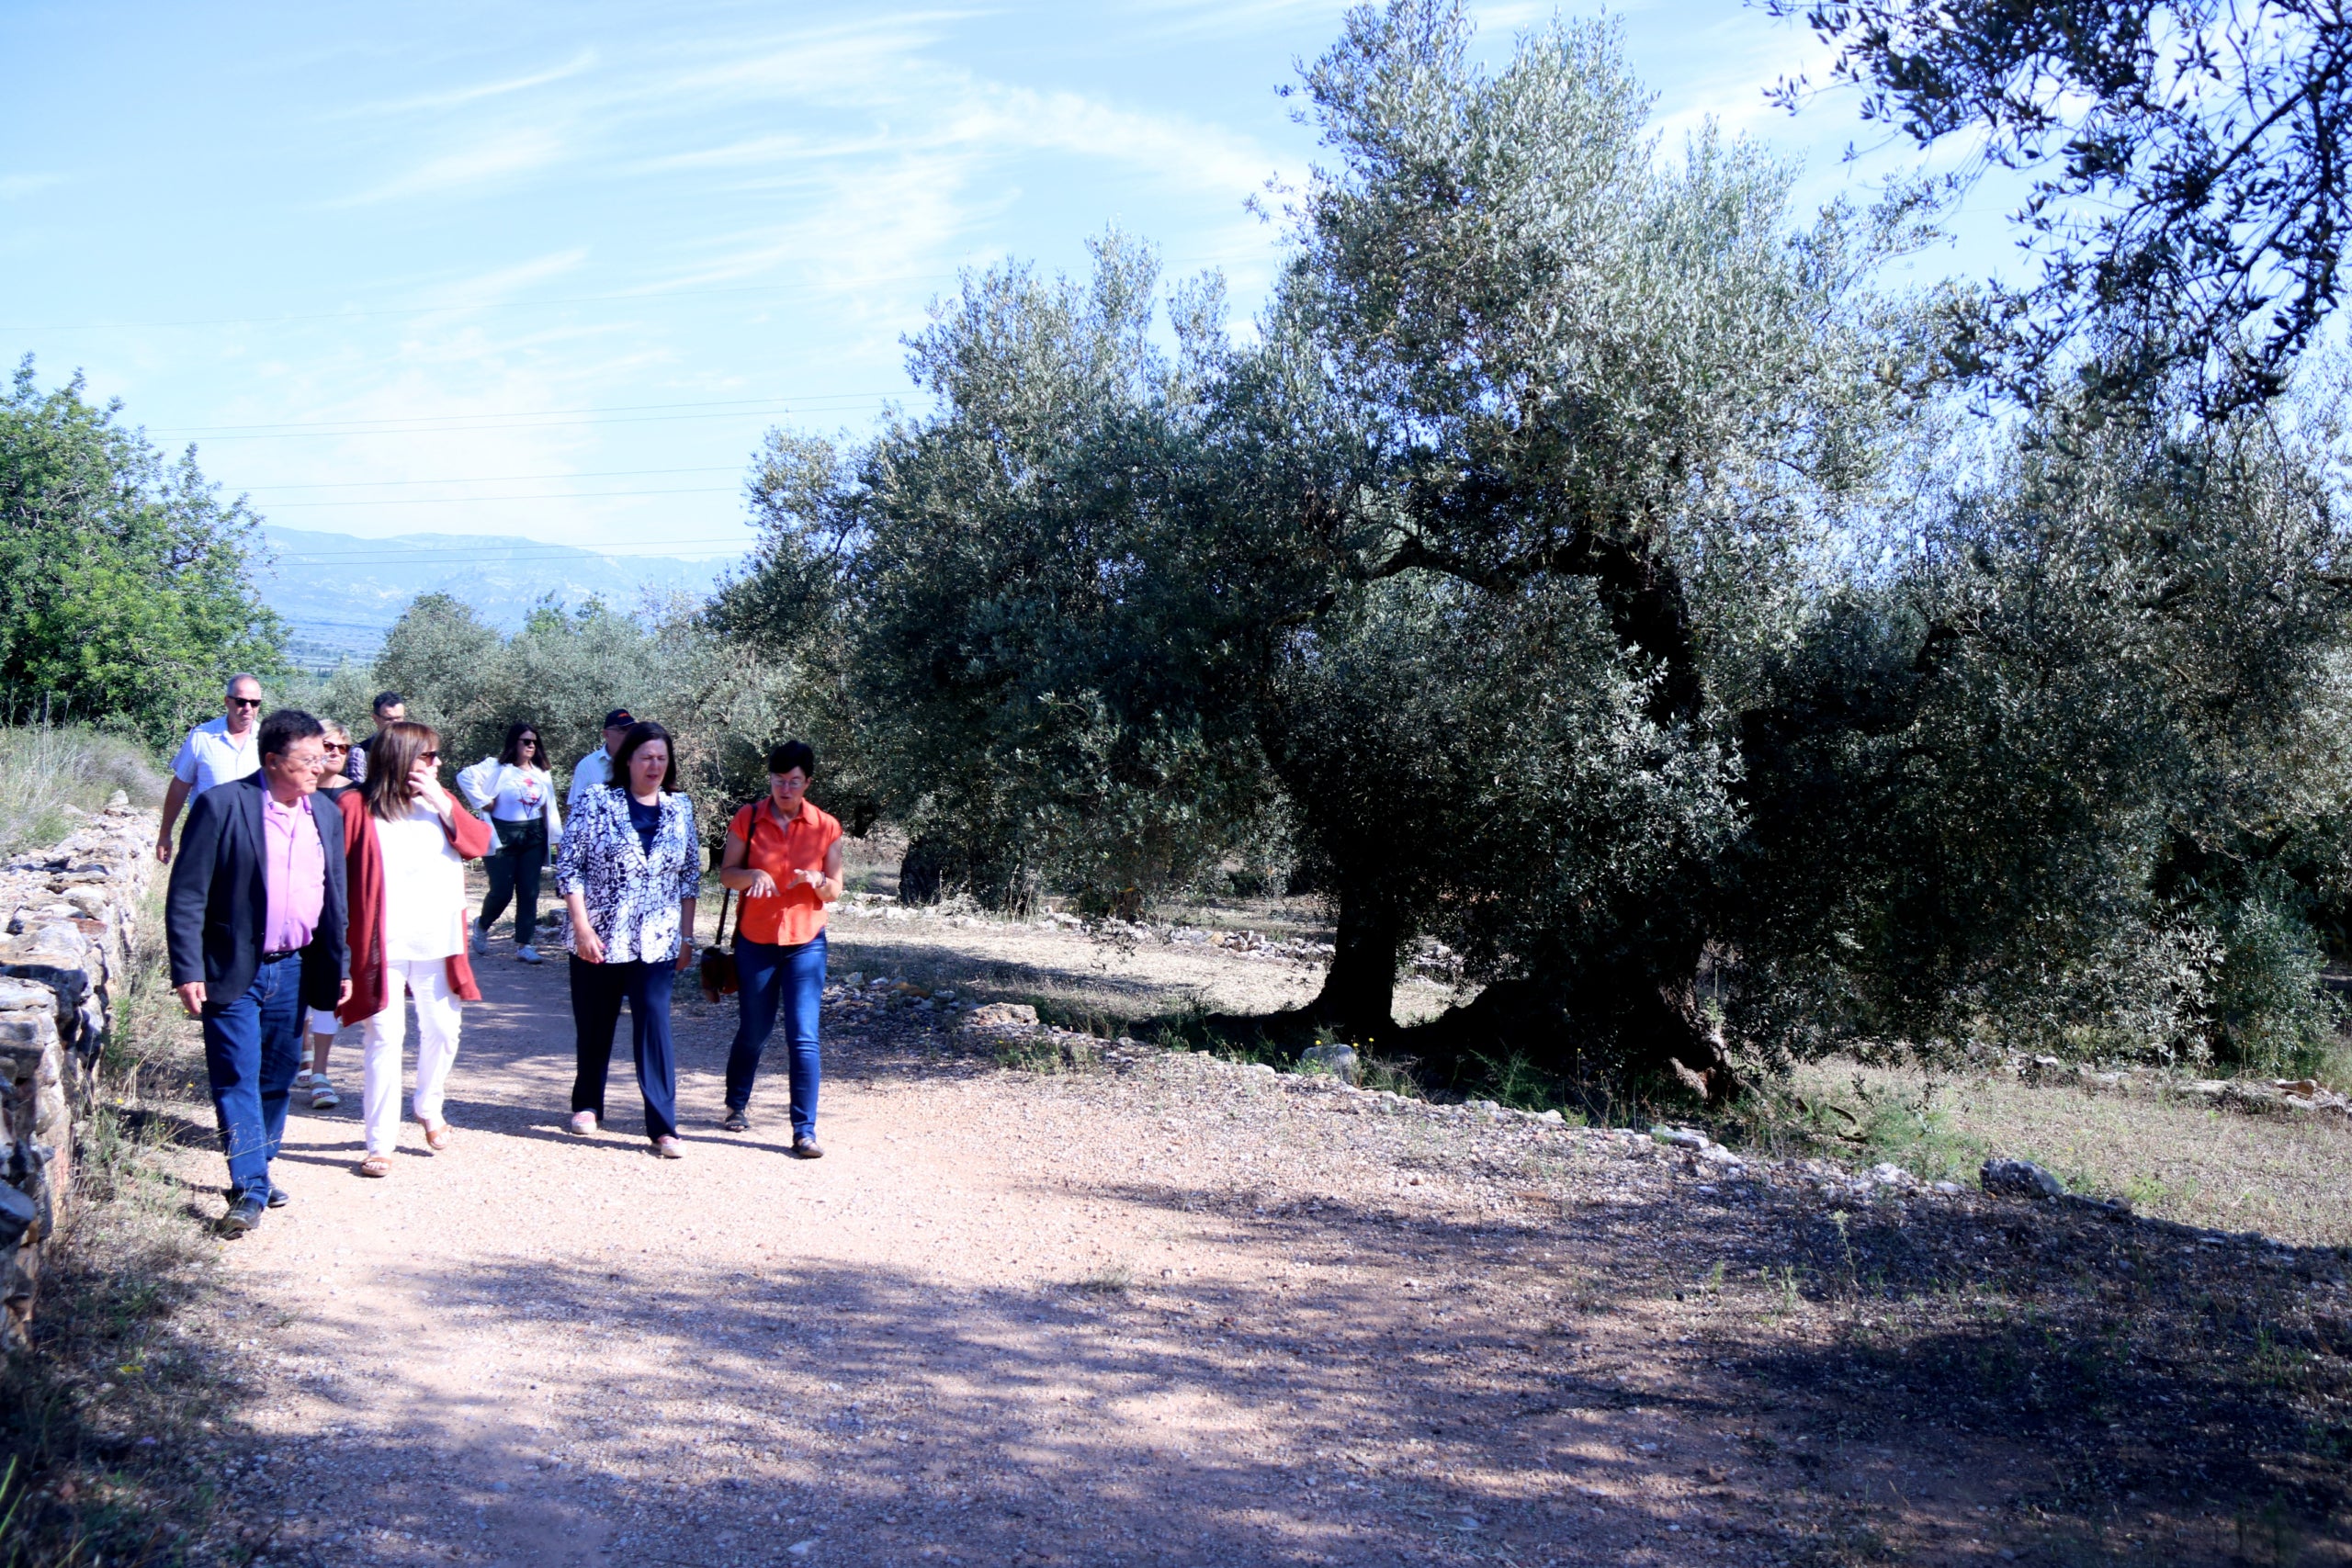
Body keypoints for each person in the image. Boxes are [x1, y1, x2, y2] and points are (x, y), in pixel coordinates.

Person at [164, 709, 350, 1235]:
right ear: (273, 761)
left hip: (296, 967)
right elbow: (187, 894)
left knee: (277, 1078)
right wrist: (187, 967)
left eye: (323, 758)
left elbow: (336, 897)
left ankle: (260, 1171)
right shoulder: (222, 805)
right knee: (236, 1076)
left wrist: (344, 964)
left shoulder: (326, 814)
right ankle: (248, 1185)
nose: (320, 768)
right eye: (309, 759)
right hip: (232, 968)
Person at [336, 721, 493, 1178]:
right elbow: (336, 874)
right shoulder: (355, 805)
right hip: (379, 942)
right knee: (385, 1037)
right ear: (400, 758)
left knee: (443, 1029)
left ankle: (428, 1103)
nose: (437, 764)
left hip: (436, 939)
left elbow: (480, 844)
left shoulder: (438, 803)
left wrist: (443, 800)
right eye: (428, 757)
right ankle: (380, 1143)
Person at [556, 720, 698, 1156]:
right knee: (595, 1025)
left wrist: (687, 937)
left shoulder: (681, 807)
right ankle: (586, 1104)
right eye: (646, 757)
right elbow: (569, 867)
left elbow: (690, 875)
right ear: (627, 761)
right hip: (598, 936)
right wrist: (581, 927)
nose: (654, 765)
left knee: (654, 1028)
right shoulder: (597, 800)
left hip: (656, 940)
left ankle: (663, 1126)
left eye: (661, 757)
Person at [715, 740, 843, 1157]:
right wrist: (750, 873)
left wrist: (816, 881)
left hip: (807, 943)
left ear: (807, 782)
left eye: (794, 782)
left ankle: (804, 1131)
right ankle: (736, 1104)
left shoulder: (827, 826)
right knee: (755, 1030)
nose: (785, 789)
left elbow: (835, 890)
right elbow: (726, 876)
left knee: (803, 1036)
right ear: (769, 779)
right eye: (778, 781)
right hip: (757, 942)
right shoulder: (748, 818)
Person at [458, 723, 563, 964]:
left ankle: (525, 944)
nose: (531, 746)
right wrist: (483, 801)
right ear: (513, 742)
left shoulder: (541, 772)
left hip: (533, 836)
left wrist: (557, 838)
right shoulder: (495, 766)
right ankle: (483, 924)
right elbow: (463, 777)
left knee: (530, 891)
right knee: (502, 891)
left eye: (534, 742)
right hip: (502, 835)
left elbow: (550, 806)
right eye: (525, 741)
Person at [294, 721, 356, 1111]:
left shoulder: (357, 796)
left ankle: (320, 1070)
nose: (335, 752)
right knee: (293, 980)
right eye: (328, 745)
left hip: (338, 901)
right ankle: (298, 1052)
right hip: (296, 898)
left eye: (343, 747)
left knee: (331, 981)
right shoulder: (294, 792)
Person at [155, 673, 267, 863]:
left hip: (253, 841)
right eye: (241, 701)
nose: (247, 708)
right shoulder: (202, 737)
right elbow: (180, 786)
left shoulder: (268, 741)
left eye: (254, 703)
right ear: (227, 701)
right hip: (205, 837)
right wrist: (165, 833)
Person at [565, 708, 635, 815]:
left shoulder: (641, 762)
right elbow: (575, 807)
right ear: (606, 734)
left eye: (632, 730)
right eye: (623, 730)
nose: (628, 735)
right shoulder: (587, 765)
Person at [345, 692, 406, 786]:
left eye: (399, 718)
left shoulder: (413, 748)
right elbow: (358, 792)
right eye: (389, 719)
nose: (395, 724)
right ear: (375, 719)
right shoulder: (361, 753)